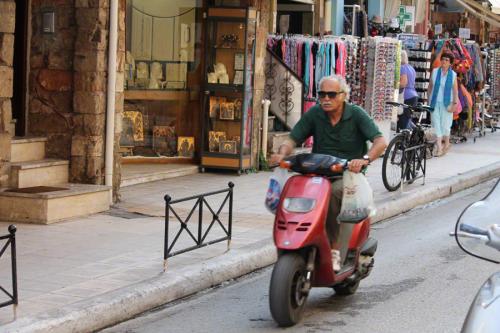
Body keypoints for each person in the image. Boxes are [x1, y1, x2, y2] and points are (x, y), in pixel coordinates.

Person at [270, 75, 387, 270]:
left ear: (343, 95)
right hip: (317, 174)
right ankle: (293, 239)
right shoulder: (315, 113)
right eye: (321, 94)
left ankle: (334, 249)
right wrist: (282, 153)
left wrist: (364, 160)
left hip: (348, 176)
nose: (326, 99)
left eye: (331, 95)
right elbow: (293, 138)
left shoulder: (356, 114)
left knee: (333, 193)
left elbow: (380, 141)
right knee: (295, 190)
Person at [427, 52, 459, 156]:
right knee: (436, 124)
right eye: (443, 59)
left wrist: (454, 104)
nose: (444, 61)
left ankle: (446, 144)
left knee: (445, 125)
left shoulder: (453, 75)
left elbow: (455, 91)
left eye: (446, 60)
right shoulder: (435, 72)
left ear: (450, 63)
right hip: (435, 101)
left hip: (447, 103)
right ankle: (439, 147)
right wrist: (428, 99)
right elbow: (430, 86)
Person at [398, 50, 419, 130]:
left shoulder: (402, 67)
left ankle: (409, 139)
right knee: (408, 119)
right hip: (414, 95)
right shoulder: (411, 68)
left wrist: (393, 85)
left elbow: (403, 83)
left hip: (406, 97)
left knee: (403, 122)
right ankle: (417, 134)